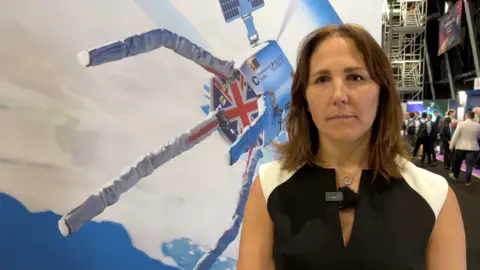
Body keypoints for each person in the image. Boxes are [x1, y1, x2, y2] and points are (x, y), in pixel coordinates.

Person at [236, 24, 466, 269]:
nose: (338, 95)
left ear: (382, 91)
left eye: (355, 77)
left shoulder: (436, 195)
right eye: (322, 79)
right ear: (305, 97)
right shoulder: (269, 186)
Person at [449, 111, 480, 186]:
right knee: (469, 165)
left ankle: (456, 176)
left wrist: (451, 145)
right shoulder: (478, 125)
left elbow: (455, 135)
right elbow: (479, 137)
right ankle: (468, 181)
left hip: (460, 147)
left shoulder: (461, 124)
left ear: (466, 116)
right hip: (473, 147)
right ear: (473, 117)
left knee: (458, 162)